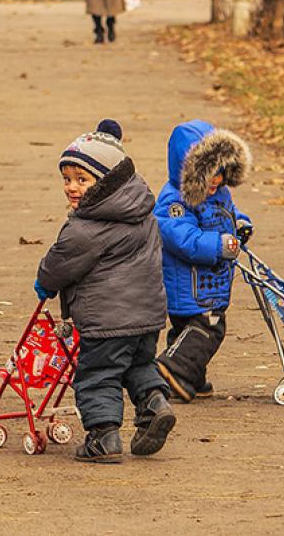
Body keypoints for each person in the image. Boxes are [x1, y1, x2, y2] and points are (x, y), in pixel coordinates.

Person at [35, 120, 175, 463]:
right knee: (138, 364)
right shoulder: (143, 213)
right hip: (147, 316)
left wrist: (44, 282)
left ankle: (103, 437)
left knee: (98, 375)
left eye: (82, 180)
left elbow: (60, 263)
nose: (72, 187)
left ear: (107, 182)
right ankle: (154, 404)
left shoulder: (87, 228)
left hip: (106, 320)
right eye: (67, 179)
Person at [153, 120, 253, 402]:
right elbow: (179, 236)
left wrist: (241, 224)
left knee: (188, 331)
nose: (217, 181)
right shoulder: (174, 200)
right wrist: (218, 245)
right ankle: (173, 368)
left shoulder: (220, 193)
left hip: (210, 282)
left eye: (221, 173)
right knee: (209, 328)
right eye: (210, 175)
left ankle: (191, 378)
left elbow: (228, 213)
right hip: (190, 284)